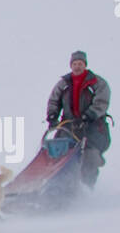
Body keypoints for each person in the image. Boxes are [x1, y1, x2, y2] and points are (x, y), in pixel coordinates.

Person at [45, 50, 111, 188]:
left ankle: (86, 189)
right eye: (75, 64)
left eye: (80, 63)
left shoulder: (97, 83)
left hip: (93, 129)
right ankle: (52, 186)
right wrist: (52, 116)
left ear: (85, 65)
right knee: (54, 153)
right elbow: (53, 100)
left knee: (89, 157)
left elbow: (101, 102)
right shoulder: (64, 83)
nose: (77, 66)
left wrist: (88, 116)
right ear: (71, 65)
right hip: (68, 127)